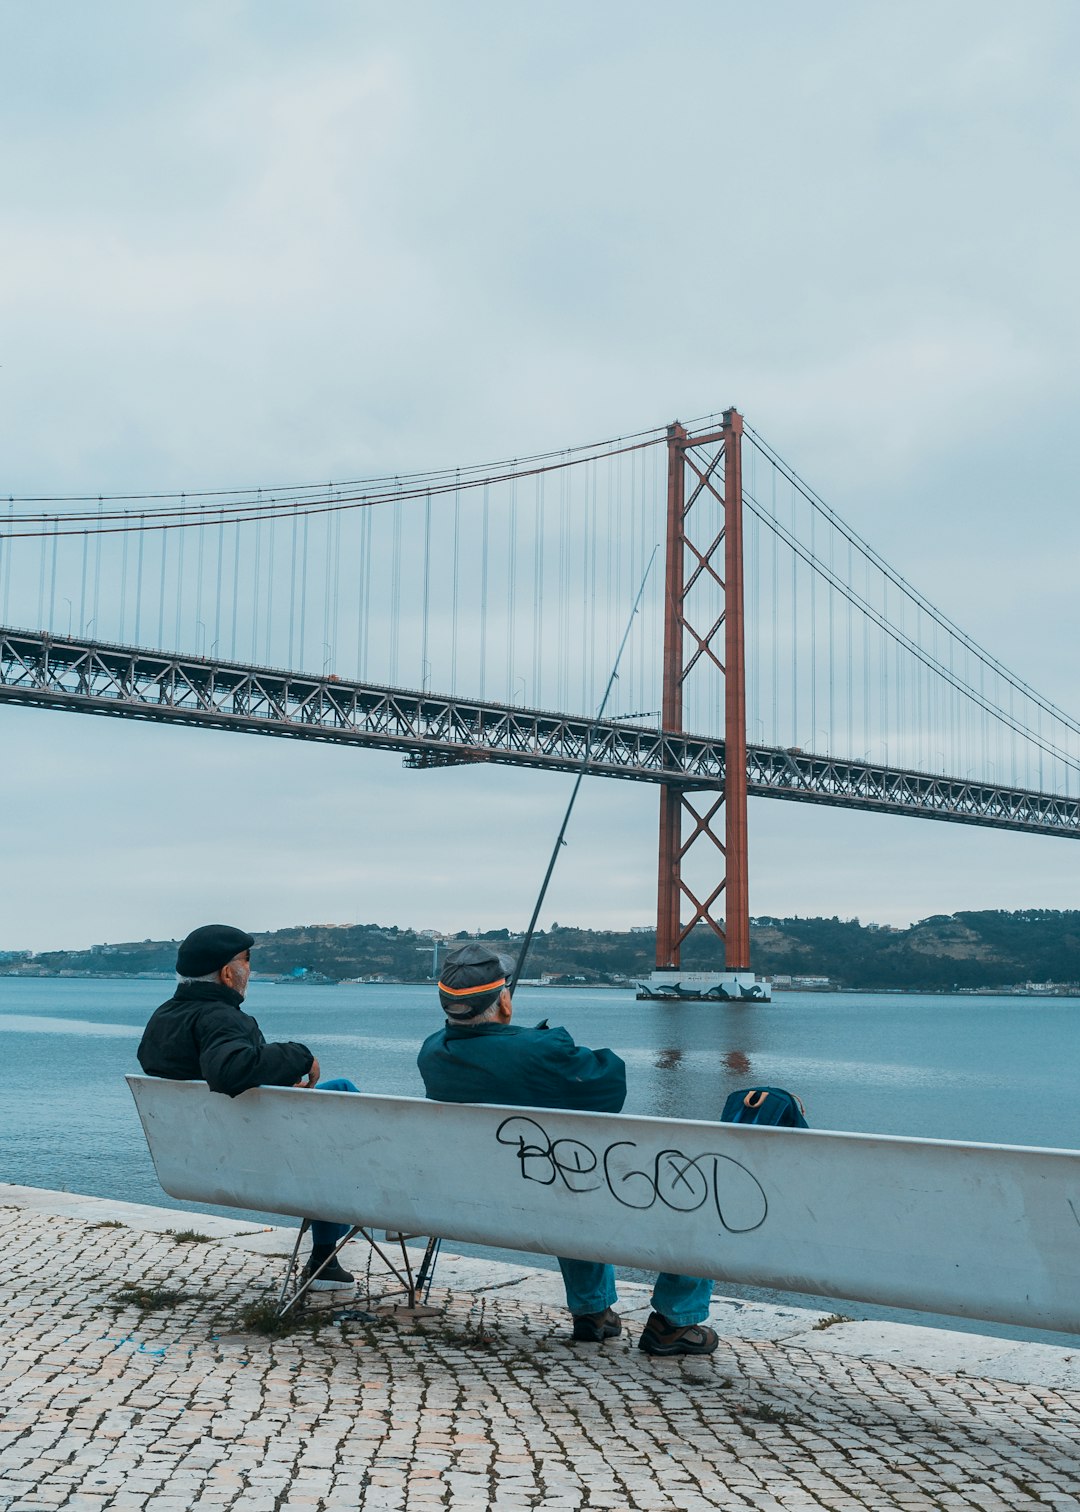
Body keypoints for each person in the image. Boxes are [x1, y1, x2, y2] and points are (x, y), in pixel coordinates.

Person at [417, 943, 719, 1356]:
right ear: (504, 1000)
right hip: (549, 1197)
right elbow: (610, 1084)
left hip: (475, 1202)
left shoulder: (433, 1053)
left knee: (562, 1181)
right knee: (687, 1196)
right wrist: (540, 1042)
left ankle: (593, 1314)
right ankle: (674, 1322)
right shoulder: (540, 1052)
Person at [137, 923, 357, 1290]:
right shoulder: (221, 1018)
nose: (249, 970)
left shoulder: (164, 1018)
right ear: (227, 973)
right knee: (344, 1097)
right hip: (257, 1158)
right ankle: (324, 1258)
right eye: (247, 961)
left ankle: (326, 1261)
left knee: (338, 1096)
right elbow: (227, 1070)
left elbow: (203, 1070)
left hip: (203, 1153)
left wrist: (274, 1079)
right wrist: (300, 1055)